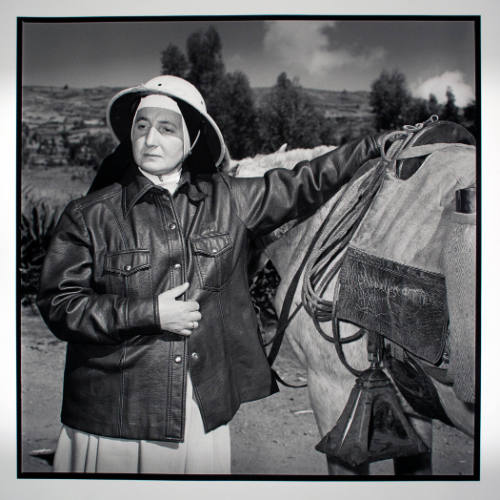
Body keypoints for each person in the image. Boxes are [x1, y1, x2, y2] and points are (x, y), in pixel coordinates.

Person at [37, 75, 382, 474]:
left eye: (167, 129)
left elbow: (303, 182)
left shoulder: (230, 199)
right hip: (112, 418)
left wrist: (372, 146)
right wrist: (149, 313)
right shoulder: (88, 215)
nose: (151, 140)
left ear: (192, 140)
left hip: (198, 412)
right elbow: (61, 305)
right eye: (142, 126)